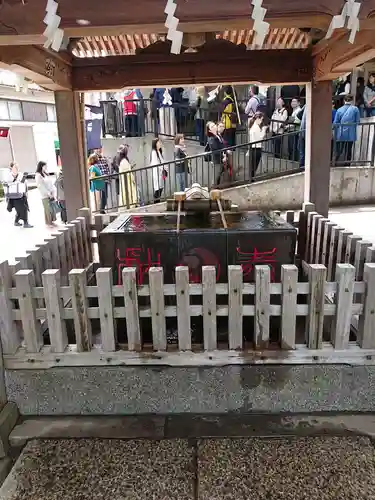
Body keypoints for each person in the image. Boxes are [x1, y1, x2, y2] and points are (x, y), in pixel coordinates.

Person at [333, 94, 360, 165]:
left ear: (344, 100)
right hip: (351, 133)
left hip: (341, 133)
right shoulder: (355, 109)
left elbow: (335, 122)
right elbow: (357, 121)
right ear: (352, 100)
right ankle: (347, 164)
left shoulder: (339, 110)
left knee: (339, 150)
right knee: (349, 150)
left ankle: (335, 163)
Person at [4, 162, 32, 228]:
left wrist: (26, 192)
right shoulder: (8, 175)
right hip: (13, 196)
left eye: (17, 167)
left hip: (21, 194)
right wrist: (15, 183)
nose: (17, 168)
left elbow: (25, 184)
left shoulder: (21, 174)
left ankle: (18, 222)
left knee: (23, 208)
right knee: (22, 209)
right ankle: (25, 223)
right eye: (15, 167)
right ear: (11, 168)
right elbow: (6, 185)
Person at [35, 161, 58, 226]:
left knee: (50, 208)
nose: (46, 167)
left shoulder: (45, 173)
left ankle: (49, 222)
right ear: (41, 166)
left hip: (50, 193)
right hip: (45, 195)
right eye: (45, 166)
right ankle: (49, 222)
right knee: (47, 209)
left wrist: (53, 191)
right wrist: (48, 193)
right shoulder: (38, 175)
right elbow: (41, 186)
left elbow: (50, 183)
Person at [248, 112, 268, 178]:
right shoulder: (256, 127)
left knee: (253, 166)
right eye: (261, 119)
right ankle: (252, 178)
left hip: (253, 147)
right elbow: (260, 137)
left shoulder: (253, 126)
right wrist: (264, 130)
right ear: (257, 119)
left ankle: (251, 178)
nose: (261, 121)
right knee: (254, 166)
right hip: (256, 148)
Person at [205, 121, 226, 186]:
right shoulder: (211, 138)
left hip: (220, 159)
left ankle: (216, 190)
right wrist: (223, 155)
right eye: (212, 126)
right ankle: (213, 192)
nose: (214, 127)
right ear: (209, 130)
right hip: (216, 160)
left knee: (218, 177)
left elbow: (221, 145)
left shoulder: (217, 135)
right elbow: (215, 149)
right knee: (215, 178)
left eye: (214, 125)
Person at [150, 138, 167, 203]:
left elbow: (162, 161)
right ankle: (156, 202)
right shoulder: (154, 152)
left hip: (161, 172)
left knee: (161, 187)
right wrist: (162, 169)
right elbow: (155, 163)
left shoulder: (159, 151)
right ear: (155, 144)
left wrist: (165, 169)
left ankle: (157, 200)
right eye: (158, 143)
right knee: (158, 188)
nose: (160, 144)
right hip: (158, 172)